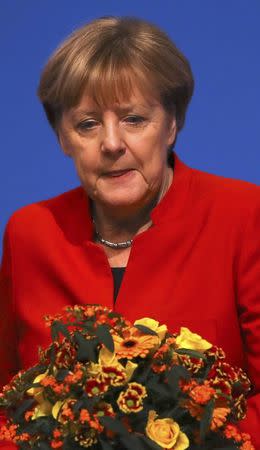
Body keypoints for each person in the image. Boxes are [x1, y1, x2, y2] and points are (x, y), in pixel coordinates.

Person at [0, 16, 259, 449]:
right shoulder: (30, 234)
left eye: (134, 119)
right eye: (87, 124)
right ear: (63, 138)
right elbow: (8, 403)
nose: (112, 143)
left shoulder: (244, 215)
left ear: (171, 124)